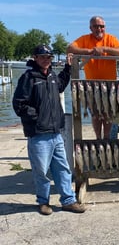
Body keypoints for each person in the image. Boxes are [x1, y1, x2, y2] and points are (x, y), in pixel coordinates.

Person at [12, 44, 85, 215]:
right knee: (41, 171)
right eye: (43, 57)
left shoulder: (52, 75)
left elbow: (60, 85)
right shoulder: (28, 77)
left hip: (56, 133)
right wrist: (37, 119)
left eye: (49, 57)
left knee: (63, 168)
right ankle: (43, 202)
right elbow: (19, 105)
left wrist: (68, 67)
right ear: (35, 58)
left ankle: (68, 201)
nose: (46, 60)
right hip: (38, 134)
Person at [67, 16, 119, 139]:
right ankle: (98, 138)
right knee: (95, 114)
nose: (99, 29)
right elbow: (70, 48)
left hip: (110, 85)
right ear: (90, 28)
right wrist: (89, 51)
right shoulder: (85, 39)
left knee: (108, 113)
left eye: (102, 26)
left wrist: (104, 49)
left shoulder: (111, 39)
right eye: (96, 26)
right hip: (91, 85)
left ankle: (106, 137)